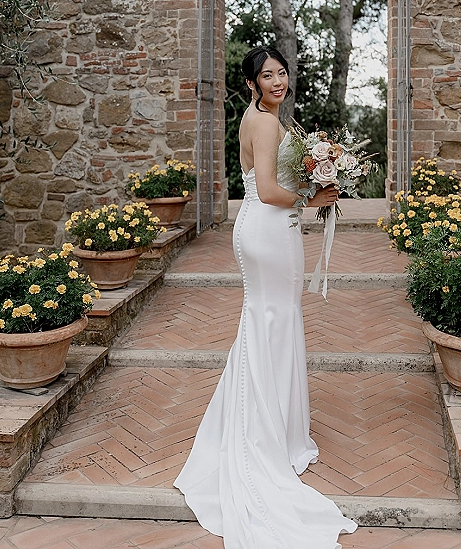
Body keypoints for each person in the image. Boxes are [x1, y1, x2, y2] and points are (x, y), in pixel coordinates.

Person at [174, 46, 357, 548]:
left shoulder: (262, 118)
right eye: (267, 75)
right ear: (253, 83)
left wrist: (319, 174)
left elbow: (271, 181)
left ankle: (275, 425)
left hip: (264, 229)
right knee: (273, 320)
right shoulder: (265, 123)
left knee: (270, 320)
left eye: (281, 72)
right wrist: (314, 197)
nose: (277, 80)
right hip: (269, 228)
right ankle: (270, 435)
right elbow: (273, 190)